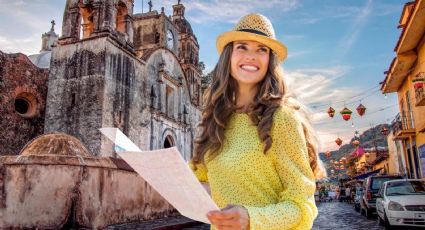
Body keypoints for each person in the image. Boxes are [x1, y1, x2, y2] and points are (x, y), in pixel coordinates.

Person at [189, 13, 325, 230]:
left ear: (270, 60)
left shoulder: (282, 117)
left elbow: (302, 206)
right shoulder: (217, 119)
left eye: (261, 49)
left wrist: (251, 218)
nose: (251, 56)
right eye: (242, 47)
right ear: (229, 57)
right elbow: (202, 177)